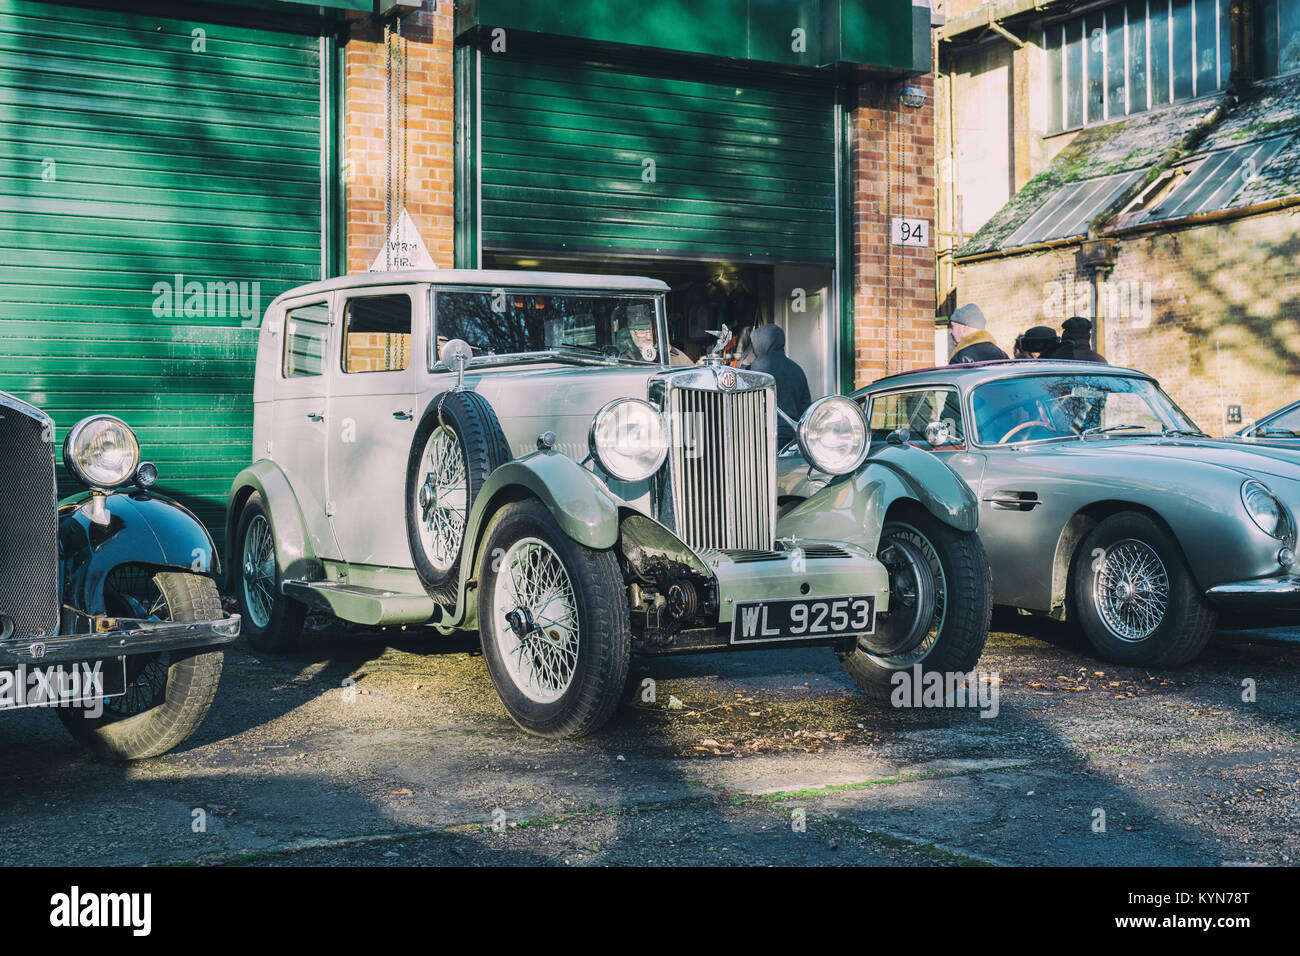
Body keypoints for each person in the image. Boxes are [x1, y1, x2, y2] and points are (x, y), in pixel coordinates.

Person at [747, 324, 811, 446]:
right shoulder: (797, 369)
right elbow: (805, 407)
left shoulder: (756, 368)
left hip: (762, 436)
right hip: (792, 436)